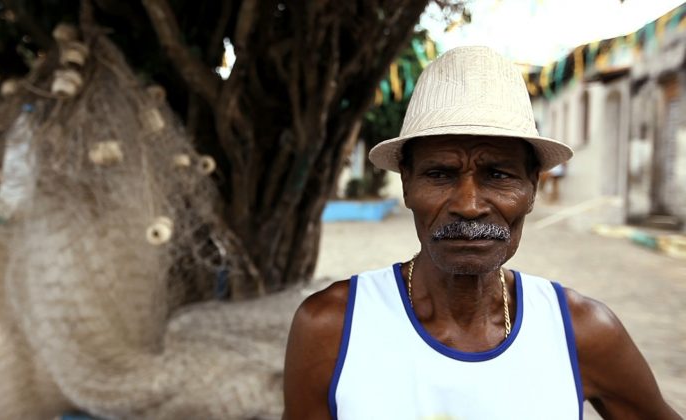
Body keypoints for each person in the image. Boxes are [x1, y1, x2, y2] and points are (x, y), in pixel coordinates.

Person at [283, 46, 679, 419]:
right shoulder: (332, 328)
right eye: (440, 174)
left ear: (531, 189)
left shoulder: (581, 331)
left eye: (498, 175)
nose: (469, 205)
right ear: (407, 185)